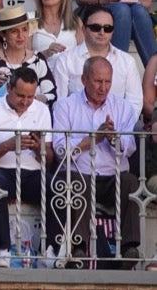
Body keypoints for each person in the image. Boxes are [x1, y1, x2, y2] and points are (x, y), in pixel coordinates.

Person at [49, 56, 141, 267]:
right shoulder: (65, 106)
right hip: (80, 174)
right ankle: (79, 247)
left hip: (112, 177)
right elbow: (60, 148)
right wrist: (91, 140)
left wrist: (112, 138)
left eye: (108, 81)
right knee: (78, 181)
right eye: (98, 81)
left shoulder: (123, 107)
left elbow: (130, 146)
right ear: (83, 80)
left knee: (131, 182)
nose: (103, 87)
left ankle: (129, 249)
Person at [0, 66, 53, 267]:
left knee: (57, 187)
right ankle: (2, 250)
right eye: (20, 96)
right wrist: (8, 146)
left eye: (30, 97)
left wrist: (38, 148)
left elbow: (49, 159)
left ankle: (52, 250)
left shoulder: (42, 110)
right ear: (8, 88)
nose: (25, 102)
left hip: (33, 173)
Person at [48, 5, 142, 121]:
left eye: (107, 28)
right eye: (95, 27)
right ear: (83, 29)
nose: (102, 32)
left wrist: (116, 129)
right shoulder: (66, 59)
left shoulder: (127, 62)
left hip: (116, 132)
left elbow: (134, 104)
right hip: (77, 132)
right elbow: (59, 102)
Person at [0, 7, 57, 105]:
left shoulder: (38, 60)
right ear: (3, 34)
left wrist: (30, 100)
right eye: (14, 31)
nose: (20, 35)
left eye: (24, 30)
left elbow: (51, 95)